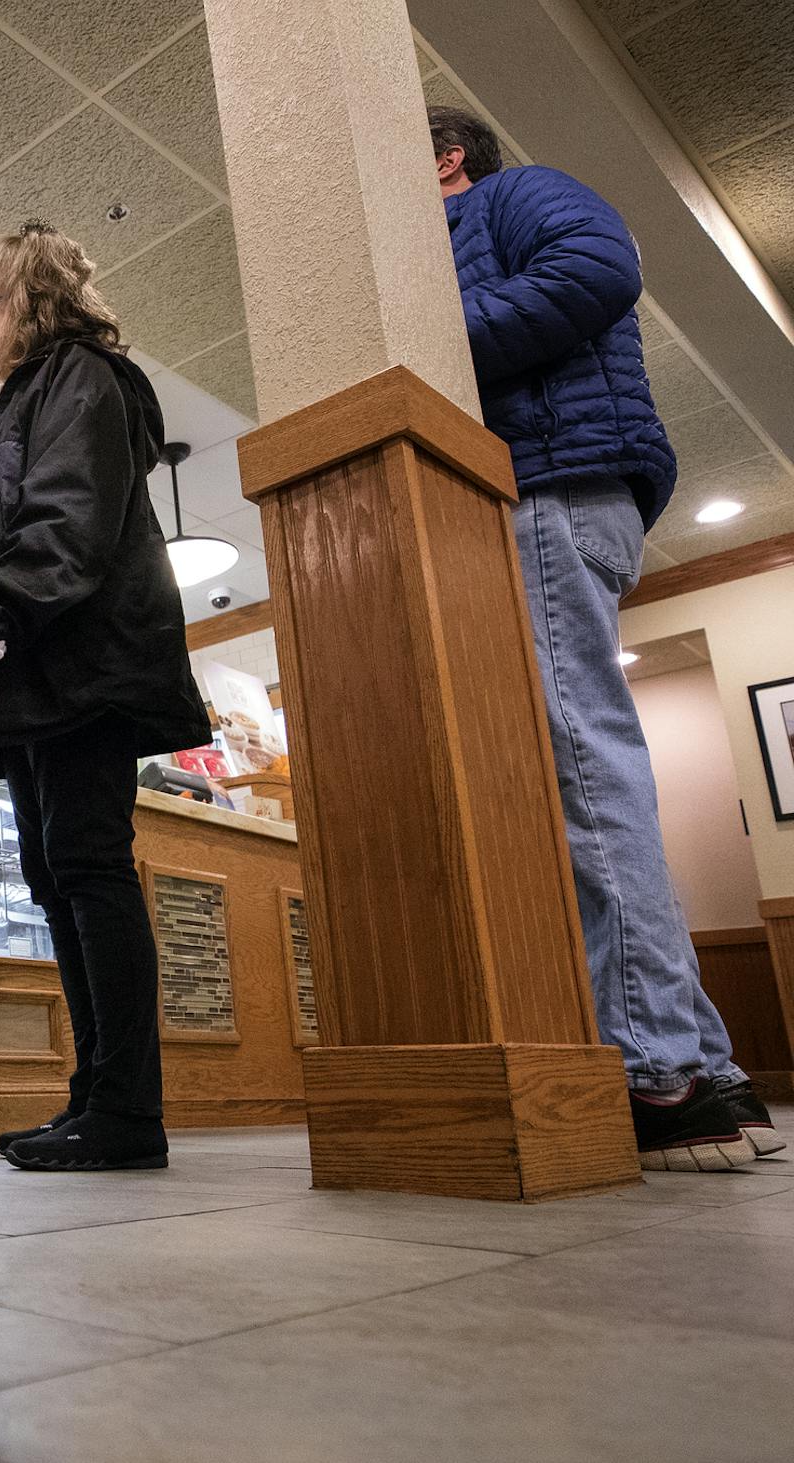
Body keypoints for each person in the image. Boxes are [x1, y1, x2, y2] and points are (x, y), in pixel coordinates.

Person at [431, 105, 780, 1168]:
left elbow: (597, 266)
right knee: (594, 770)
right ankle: (707, 1068)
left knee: (583, 769)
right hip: (552, 496)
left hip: (554, 491)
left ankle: (657, 1072)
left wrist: (441, 346)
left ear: (445, 156)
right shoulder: (471, 231)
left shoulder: (515, 194)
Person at [0, 223, 212, 1172]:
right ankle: (94, 1096)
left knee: (89, 867)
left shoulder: (82, 378)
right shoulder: (29, 398)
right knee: (58, 878)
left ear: (23, 300)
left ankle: (130, 1110)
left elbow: (66, 525)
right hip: (40, 674)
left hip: (83, 667)